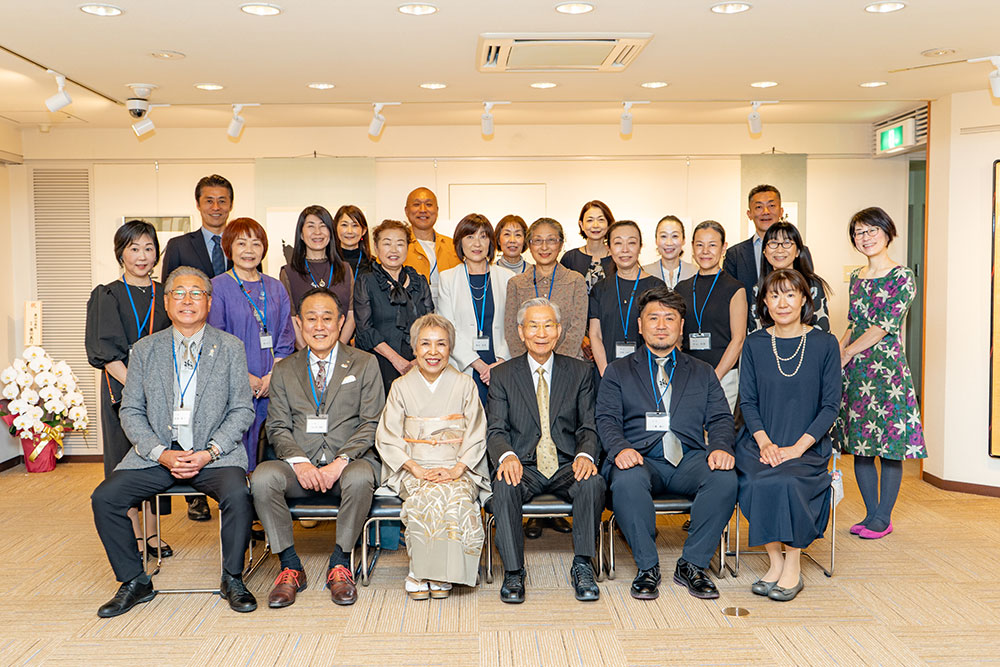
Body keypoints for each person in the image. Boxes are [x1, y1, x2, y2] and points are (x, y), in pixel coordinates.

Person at [90, 267, 256, 617]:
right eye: (178, 293)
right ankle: (135, 580)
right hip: (157, 457)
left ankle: (232, 577)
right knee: (106, 497)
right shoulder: (144, 350)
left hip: (214, 456)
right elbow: (131, 410)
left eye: (196, 293)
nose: (187, 300)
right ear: (166, 302)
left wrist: (209, 452)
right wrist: (160, 452)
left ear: (209, 302)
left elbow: (242, 410)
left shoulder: (229, 348)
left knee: (239, 494)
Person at [596, 286, 736, 601]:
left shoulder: (702, 372)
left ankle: (693, 565)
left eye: (669, 318)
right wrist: (620, 449)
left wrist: (720, 448)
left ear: (681, 326)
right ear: (640, 325)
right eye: (653, 317)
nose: (661, 325)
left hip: (688, 459)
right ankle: (647, 568)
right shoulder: (618, 372)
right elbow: (605, 419)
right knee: (628, 480)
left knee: (725, 478)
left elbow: (720, 419)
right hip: (640, 457)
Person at [252, 287, 385, 608]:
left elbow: (372, 422)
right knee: (263, 477)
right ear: (299, 323)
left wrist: (340, 462)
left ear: (341, 322)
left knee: (360, 476)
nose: (320, 325)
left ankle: (340, 562)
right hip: (300, 468)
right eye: (311, 318)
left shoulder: (365, 363)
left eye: (328, 318)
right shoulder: (284, 369)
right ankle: (290, 565)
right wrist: (300, 463)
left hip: (348, 465)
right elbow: (278, 426)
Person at [487, 298, 605, 603]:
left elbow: (589, 426)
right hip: (524, 464)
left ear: (559, 330)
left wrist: (585, 454)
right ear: (521, 331)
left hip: (567, 463)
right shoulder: (503, 375)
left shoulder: (580, 372)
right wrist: (507, 456)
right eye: (534, 325)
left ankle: (583, 565)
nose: (541, 333)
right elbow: (496, 430)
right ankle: (513, 571)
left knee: (592, 481)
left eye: (548, 325)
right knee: (504, 484)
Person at [735, 269, 841, 602]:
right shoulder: (754, 343)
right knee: (756, 480)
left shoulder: (825, 343)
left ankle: (792, 562)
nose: (782, 302)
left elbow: (830, 405)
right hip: (760, 440)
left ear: (804, 299)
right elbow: (747, 401)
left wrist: (797, 448)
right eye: (774, 295)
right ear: (764, 303)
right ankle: (775, 560)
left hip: (807, 443)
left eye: (790, 294)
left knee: (789, 481)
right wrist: (765, 442)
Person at [375, 314, 490, 599]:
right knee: (424, 499)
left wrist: (457, 469)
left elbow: (477, 431)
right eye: (425, 344)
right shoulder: (400, 387)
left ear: (450, 348)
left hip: (458, 465)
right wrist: (414, 468)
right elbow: (387, 435)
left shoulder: (465, 384)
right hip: (414, 466)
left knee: (456, 499)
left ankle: (443, 573)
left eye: (441, 344)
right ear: (414, 348)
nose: (433, 352)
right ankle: (420, 571)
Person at [833, 207, 926, 539]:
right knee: (860, 445)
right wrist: (836, 354)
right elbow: (854, 324)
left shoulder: (902, 277)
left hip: (887, 373)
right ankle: (871, 514)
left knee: (888, 446)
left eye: (872, 230)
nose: (866, 237)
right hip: (857, 373)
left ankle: (883, 517)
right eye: (859, 232)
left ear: (888, 233)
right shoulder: (857, 277)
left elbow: (881, 327)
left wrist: (847, 352)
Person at [86, 220, 172, 559]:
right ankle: (135, 535)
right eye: (134, 248)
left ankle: (154, 533)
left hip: (163, 396)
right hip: (123, 395)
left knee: (158, 462)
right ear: (121, 252)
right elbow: (106, 354)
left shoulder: (166, 293)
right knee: (127, 462)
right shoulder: (107, 294)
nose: (142, 256)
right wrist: (140, 389)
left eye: (149, 248)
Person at [161, 173, 235, 522]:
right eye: (210, 200)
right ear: (199, 204)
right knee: (191, 407)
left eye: (222, 200)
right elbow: (170, 293)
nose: (216, 206)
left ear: (230, 205)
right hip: (190, 340)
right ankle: (196, 494)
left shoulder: (240, 241)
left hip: (228, 343)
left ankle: (222, 482)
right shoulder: (179, 244)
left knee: (223, 409)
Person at [208, 218, 295, 471]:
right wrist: (245, 377)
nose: (249, 250)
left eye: (256, 243)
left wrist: (272, 375)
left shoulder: (276, 287)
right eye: (241, 243)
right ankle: (240, 501)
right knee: (238, 443)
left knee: (270, 445)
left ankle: (268, 498)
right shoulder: (217, 287)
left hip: (272, 382)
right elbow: (216, 338)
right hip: (234, 382)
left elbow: (285, 336)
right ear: (229, 248)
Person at [438, 214, 514, 405]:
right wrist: (480, 366)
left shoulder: (507, 277)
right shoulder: (447, 279)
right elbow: (448, 328)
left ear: (491, 242)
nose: (477, 243)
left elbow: (514, 324)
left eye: (483, 236)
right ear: (459, 242)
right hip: (464, 366)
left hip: (501, 363)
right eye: (470, 237)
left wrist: (500, 363)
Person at [354, 219, 435, 395]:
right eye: (387, 243)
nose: (394, 250)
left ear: (407, 247)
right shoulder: (366, 281)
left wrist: (418, 360)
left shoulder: (419, 281)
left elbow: (429, 324)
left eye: (400, 244)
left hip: (418, 363)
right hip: (379, 363)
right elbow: (364, 329)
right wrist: (397, 360)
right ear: (376, 248)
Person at [674, 221, 747, 411]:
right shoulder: (681, 288)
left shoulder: (735, 289)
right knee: (689, 433)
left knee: (718, 435)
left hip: (724, 376)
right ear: (692, 248)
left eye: (712, 245)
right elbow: (676, 335)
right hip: (688, 375)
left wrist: (715, 375)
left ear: (724, 248)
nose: (705, 251)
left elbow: (738, 340)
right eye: (700, 244)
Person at [723, 184, 813, 330]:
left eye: (771, 206)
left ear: (781, 211)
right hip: (750, 332)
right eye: (758, 207)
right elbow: (730, 299)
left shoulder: (801, 250)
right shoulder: (735, 254)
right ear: (749, 214)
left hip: (794, 331)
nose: (766, 212)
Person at [504, 218, 588, 360]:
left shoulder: (575, 281)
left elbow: (577, 330)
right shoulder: (516, 284)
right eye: (537, 241)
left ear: (561, 244)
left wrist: (557, 364)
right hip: (526, 369)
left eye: (551, 240)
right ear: (529, 245)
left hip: (569, 365)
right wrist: (527, 364)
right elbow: (512, 330)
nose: (544, 247)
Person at [589, 220, 664, 378]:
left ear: (640, 247)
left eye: (631, 243)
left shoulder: (656, 286)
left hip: (646, 375)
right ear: (609, 248)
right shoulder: (600, 289)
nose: (624, 250)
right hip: (606, 372)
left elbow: (660, 333)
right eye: (618, 243)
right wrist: (606, 372)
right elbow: (595, 334)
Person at [279, 205, 355, 345]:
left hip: (342, 354)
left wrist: (336, 353)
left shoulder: (345, 269)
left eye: (323, 226)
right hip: (304, 356)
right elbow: (291, 319)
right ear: (301, 234)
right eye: (311, 226)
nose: (317, 232)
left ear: (331, 232)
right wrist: (308, 355)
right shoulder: (289, 273)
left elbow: (351, 316)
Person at [749, 222, 831, 332]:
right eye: (773, 243)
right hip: (767, 347)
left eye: (787, 243)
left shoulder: (812, 285)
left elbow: (822, 331)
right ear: (764, 251)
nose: (779, 250)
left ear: (797, 251)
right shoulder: (759, 288)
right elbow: (755, 333)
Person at [402, 187, 461, 304]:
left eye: (429, 204)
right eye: (416, 204)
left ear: (437, 210)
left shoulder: (454, 245)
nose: (423, 209)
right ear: (406, 211)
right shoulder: (397, 246)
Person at [559, 200, 615, 292]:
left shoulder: (618, 257)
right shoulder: (570, 258)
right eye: (590, 220)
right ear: (581, 225)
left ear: (608, 224)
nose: (595, 225)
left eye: (601, 220)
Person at [642, 215, 697, 289]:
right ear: (656, 240)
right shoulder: (645, 272)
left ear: (683, 240)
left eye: (675, 236)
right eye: (663, 236)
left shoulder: (695, 272)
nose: (669, 243)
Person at [333, 204, 374, 281]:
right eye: (344, 225)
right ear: (335, 228)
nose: (349, 231)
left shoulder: (372, 265)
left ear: (363, 231)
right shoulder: (328, 261)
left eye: (355, 225)